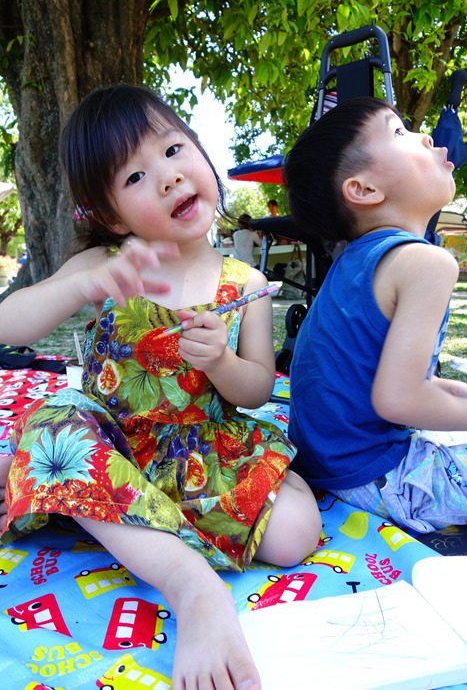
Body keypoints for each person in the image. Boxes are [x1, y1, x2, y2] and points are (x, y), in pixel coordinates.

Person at [0, 84, 321, 690]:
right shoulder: (108, 264)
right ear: (111, 216)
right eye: (135, 176)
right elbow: (9, 323)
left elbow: (257, 388)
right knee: (56, 430)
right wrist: (79, 288)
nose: (169, 177)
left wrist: (221, 362)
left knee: (297, 534)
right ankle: (191, 585)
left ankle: (49, 488)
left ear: (200, 152)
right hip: (111, 446)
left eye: (174, 150)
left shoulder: (245, 283)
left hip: (196, 454)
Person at [284, 95, 466, 535]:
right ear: (364, 189)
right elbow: (399, 399)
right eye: (399, 131)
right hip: (376, 477)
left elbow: (404, 381)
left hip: (324, 464)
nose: (427, 136)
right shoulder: (427, 263)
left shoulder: (355, 260)